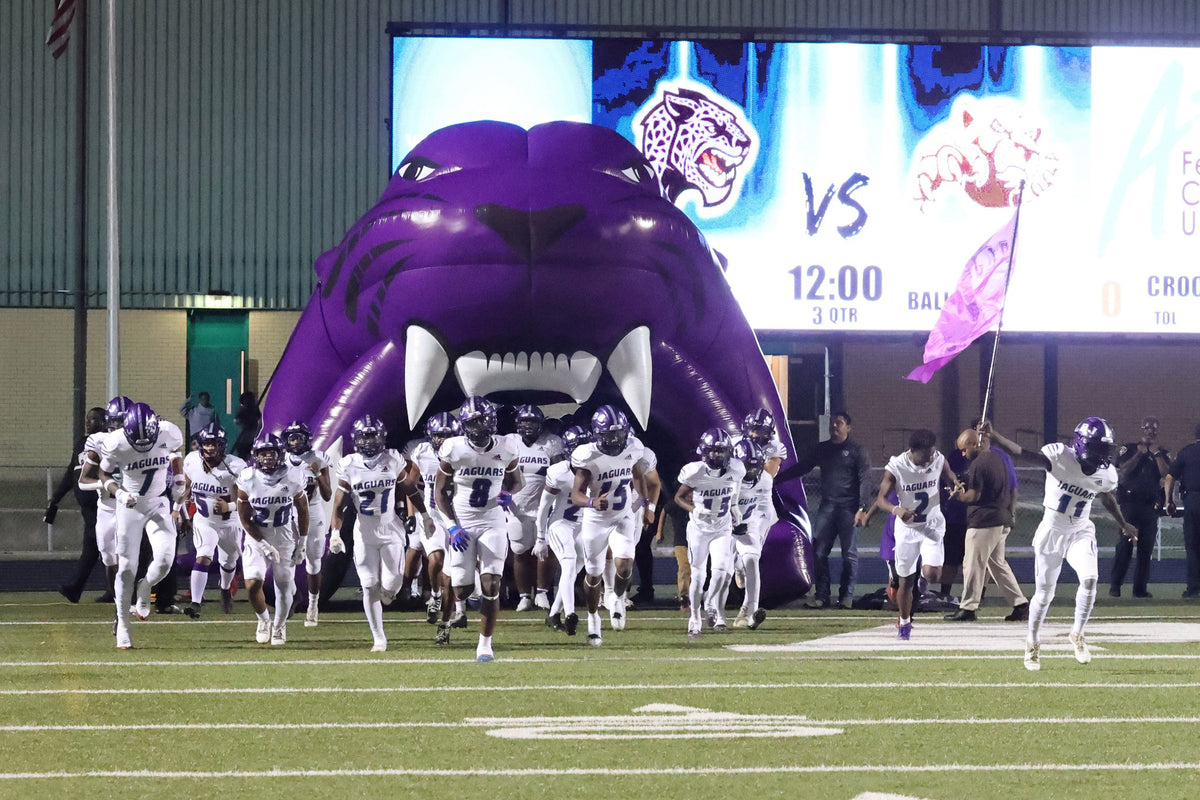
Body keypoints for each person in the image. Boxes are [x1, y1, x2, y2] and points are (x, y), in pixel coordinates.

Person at [986, 419, 1137, 671]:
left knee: (1089, 579)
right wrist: (995, 436)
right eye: (1099, 448)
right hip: (1052, 531)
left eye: (1105, 449)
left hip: (1080, 530)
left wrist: (1123, 523)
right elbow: (1021, 453)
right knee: (1045, 595)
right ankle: (1032, 643)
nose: (1103, 455)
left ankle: (1077, 633)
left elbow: (1105, 496)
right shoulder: (1059, 457)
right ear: (1082, 445)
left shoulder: (1106, 474)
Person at [330, 415, 429, 652]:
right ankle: (379, 637)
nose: (369, 441)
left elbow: (410, 489)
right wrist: (335, 532)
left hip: (390, 528)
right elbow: (339, 504)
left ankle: (389, 594)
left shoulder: (392, 459)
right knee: (369, 584)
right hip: (364, 531)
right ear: (356, 439)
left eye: (373, 436)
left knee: (392, 584)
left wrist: (424, 515)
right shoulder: (349, 464)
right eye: (364, 436)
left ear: (382, 437)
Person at [435, 396, 523, 661]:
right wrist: (451, 526)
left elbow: (517, 481)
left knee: (492, 582)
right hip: (462, 520)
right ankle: (465, 591)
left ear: (492, 420)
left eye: (482, 420)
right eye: (472, 422)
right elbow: (439, 492)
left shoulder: (507, 447)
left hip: (493, 520)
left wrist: (509, 493)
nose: (478, 426)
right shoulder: (454, 449)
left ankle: (485, 643)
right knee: (462, 589)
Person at [95, 402, 185, 650]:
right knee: (126, 568)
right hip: (130, 505)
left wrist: (178, 477)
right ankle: (123, 622)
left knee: (166, 560)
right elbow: (103, 474)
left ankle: (145, 587)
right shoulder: (117, 442)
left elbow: (176, 452)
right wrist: (118, 492)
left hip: (157, 502)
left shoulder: (168, 431)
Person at [859, 429, 959, 640]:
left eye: (932, 453)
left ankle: (924, 580)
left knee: (933, 574)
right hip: (907, 529)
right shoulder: (897, 466)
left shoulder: (937, 458)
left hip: (932, 524)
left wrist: (955, 485)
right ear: (914, 451)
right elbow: (881, 499)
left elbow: (949, 475)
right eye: (926, 455)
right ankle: (904, 623)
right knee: (905, 582)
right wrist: (897, 510)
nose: (930, 458)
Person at [569, 405, 655, 641]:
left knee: (625, 566)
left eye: (618, 433)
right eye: (609, 434)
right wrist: (591, 502)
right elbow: (576, 494)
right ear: (598, 433)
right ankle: (593, 616)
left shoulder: (633, 448)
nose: (615, 439)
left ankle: (616, 598)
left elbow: (637, 474)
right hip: (596, 520)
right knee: (594, 574)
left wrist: (646, 503)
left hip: (623, 515)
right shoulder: (588, 456)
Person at [779, 411, 872, 609]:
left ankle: (846, 596)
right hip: (827, 507)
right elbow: (802, 467)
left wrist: (862, 507)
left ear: (848, 427)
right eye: (832, 423)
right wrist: (776, 479)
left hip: (849, 508)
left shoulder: (857, 451)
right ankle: (822, 595)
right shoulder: (822, 449)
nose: (834, 426)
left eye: (839, 423)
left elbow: (865, 479)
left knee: (849, 555)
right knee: (819, 552)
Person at [945, 427, 1028, 623]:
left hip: (984, 520)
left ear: (974, 444)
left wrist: (958, 496)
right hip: (1001, 518)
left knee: (972, 563)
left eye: (964, 449)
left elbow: (974, 495)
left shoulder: (979, 463)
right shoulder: (997, 459)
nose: (963, 453)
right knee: (997, 564)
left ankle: (968, 607)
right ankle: (1021, 604)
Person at [235, 433, 309, 646]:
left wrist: (302, 543)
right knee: (252, 583)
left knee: (284, 584)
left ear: (280, 454)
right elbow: (244, 518)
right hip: (256, 536)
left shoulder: (293, 478)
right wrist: (262, 544)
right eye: (262, 453)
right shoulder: (248, 478)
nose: (267, 457)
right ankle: (263, 620)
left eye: (271, 453)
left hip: (283, 536)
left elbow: (303, 511)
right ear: (255, 455)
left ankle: (279, 626)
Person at [675, 428, 745, 637]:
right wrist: (695, 509)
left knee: (723, 570)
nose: (718, 455)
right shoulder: (694, 471)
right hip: (699, 529)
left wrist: (734, 507)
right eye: (713, 451)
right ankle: (694, 617)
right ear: (704, 452)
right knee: (698, 575)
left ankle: (711, 602)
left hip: (722, 526)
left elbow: (736, 488)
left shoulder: (736, 469)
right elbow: (678, 498)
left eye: (722, 451)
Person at [179, 424, 246, 617]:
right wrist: (182, 512)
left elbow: (245, 499)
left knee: (229, 561)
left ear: (222, 446)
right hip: (205, 520)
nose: (210, 448)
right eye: (207, 443)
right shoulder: (191, 461)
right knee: (204, 555)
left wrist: (229, 507)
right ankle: (196, 603)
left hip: (230, 521)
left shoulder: (236, 466)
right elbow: (187, 488)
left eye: (215, 444)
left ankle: (225, 589)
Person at [506, 404, 564, 612]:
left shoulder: (551, 443)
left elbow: (560, 471)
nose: (528, 426)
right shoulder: (510, 442)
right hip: (516, 507)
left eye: (532, 421)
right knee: (520, 551)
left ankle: (542, 592)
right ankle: (524, 596)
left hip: (544, 508)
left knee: (545, 551)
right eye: (524, 421)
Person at [405, 412, 458, 641]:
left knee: (453, 575)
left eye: (447, 435)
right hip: (432, 516)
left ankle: (446, 623)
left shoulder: (463, 453)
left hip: (459, 517)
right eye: (438, 435)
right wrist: (414, 512)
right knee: (435, 559)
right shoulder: (422, 452)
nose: (442, 440)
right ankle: (435, 595)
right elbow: (409, 484)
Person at [536, 424, 591, 635]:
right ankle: (570, 614)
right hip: (561, 524)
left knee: (574, 569)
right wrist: (540, 537)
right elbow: (543, 507)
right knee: (568, 564)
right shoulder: (558, 472)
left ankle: (553, 615)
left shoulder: (597, 468)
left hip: (584, 524)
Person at [50, 407, 108, 603]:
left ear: (103, 421)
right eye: (87, 418)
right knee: (92, 548)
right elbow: (71, 473)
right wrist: (55, 499)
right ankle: (76, 588)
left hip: (103, 504)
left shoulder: (107, 442)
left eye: (93, 419)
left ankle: (112, 590)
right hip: (87, 508)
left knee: (102, 546)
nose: (88, 422)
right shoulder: (82, 443)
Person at [1110, 416, 1170, 598]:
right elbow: (1124, 470)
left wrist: (1156, 454)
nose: (1150, 431)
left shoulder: (1162, 452)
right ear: (1142, 429)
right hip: (1129, 505)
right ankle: (1115, 586)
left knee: (1146, 550)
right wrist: (1139, 453)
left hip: (1150, 507)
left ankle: (1140, 589)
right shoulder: (1128, 448)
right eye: (1147, 428)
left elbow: (1166, 474)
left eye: (1154, 428)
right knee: (1124, 546)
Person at [282, 421, 334, 626]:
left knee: (313, 561)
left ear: (307, 439)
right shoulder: (281, 459)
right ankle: (292, 597)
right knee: (286, 560)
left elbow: (328, 495)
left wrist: (319, 474)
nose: (294, 442)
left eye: (298, 438)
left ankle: (313, 604)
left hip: (312, 512)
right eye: (291, 438)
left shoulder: (318, 458)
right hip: (287, 513)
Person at [730, 439, 773, 629]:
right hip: (723, 525)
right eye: (748, 466)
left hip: (749, 523)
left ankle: (749, 610)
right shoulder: (727, 477)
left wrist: (756, 530)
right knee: (725, 567)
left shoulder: (765, 479)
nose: (752, 471)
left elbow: (765, 508)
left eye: (756, 467)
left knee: (752, 560)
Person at [1165, 423, 1200, 599]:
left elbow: (1170, 477)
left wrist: (1168, 501)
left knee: (1193, 547)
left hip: (1193, 502)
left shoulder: (1186, 452)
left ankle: (1194, 590)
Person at [232, 391, 262, 460]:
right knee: (243, 457)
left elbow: (259, 419)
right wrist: (245, 423)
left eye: (251, 399)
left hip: (253, 438)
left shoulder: (255, 409)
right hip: (243, 439)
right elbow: (237, 421)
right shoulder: (241, 410)